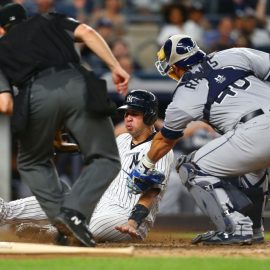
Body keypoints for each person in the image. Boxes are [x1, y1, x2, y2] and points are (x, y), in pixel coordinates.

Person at [0, 3, 129, 247]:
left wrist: (42, 122)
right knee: (105, 158)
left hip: (34, 95)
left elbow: (5, 104)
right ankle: (74, 216)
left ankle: (63, 219)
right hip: (79, 83)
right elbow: (88, 33)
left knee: (31, 162)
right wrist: (115, 66)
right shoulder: (49, 19)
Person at [129, 34, 269, 245]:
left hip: (255, 129)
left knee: (191, 167)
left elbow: (165, 140)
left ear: (175, 67)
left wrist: (145, 164)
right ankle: (254, 228)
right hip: (256, 128)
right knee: (253, 171)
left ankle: (235, 226)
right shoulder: (234, 54)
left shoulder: (186, 93)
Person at [0, 90, 174, 242]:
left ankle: (53, 233)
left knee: (96, 223)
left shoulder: (160, 149)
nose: (128, 118)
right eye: (126, 113)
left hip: (124, 216)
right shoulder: (122, 140)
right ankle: (5, 211)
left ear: (150, 116)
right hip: (99, 205)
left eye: (134, 113)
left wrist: (132, 222)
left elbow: (151, 193)